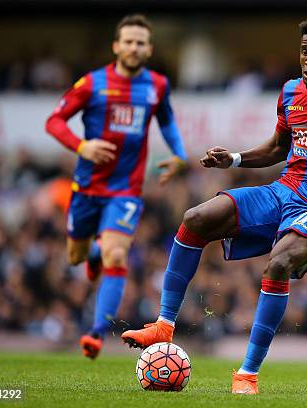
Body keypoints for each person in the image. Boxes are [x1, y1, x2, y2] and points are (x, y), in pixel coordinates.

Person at [122, 14, 307, 394]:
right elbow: (278, 148)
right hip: (283, 192)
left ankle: (247, 374)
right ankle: (163, 325)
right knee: (196, 218)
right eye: (305, 52)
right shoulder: (291, 91)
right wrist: (236, 160)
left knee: (278, 263)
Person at [45, 14, 188, 359]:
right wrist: (83, 146)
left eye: (140, 42)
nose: (134, 47)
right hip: (87, 188)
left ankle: (95, 333)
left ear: (149, 49)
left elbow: (166, 120)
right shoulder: (92, 84)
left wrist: (179, 154)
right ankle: (92, 252)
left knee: (118, 254)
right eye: (128, 41)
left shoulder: (156, 86)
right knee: (75, 256)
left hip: (126, 189)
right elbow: (54, 121)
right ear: (116, 46)